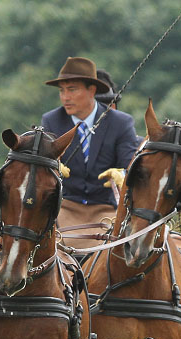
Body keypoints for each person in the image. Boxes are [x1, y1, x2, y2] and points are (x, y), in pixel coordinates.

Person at [41, 57, 139, 248]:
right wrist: (51, 166)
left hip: (107, 208)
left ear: (92, 90)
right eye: (61, 91)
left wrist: (122, 174)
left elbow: (130, 165)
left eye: (72, 89)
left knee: (116, 250)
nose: (65, 97)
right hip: (65, 207)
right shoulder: (51, 120)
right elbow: (42, 168)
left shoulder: (121, 122)